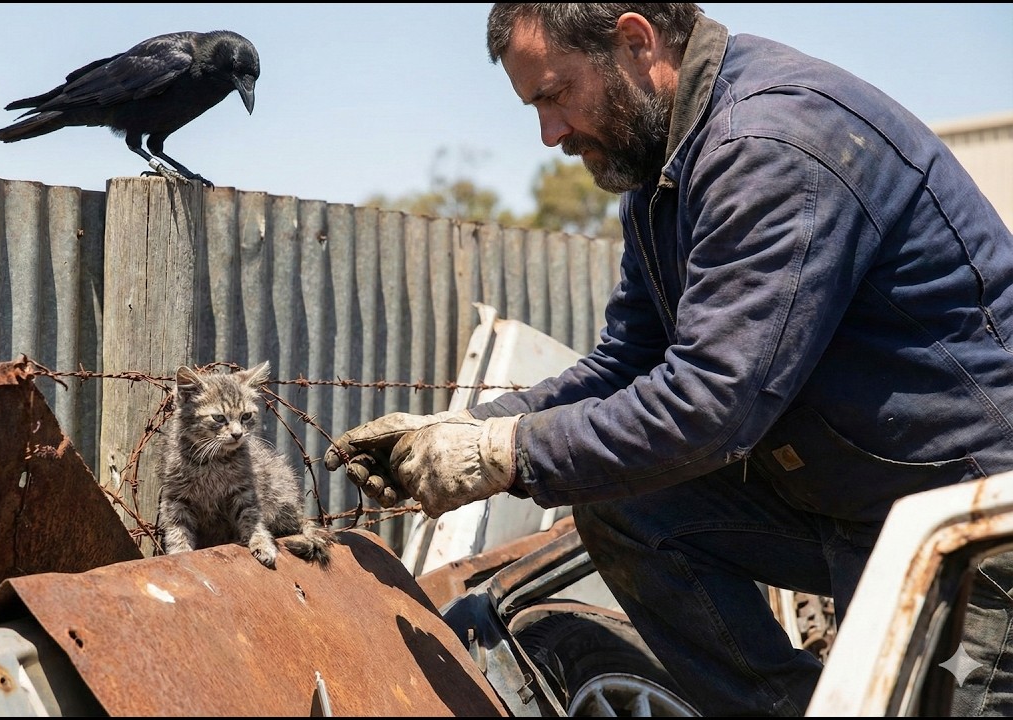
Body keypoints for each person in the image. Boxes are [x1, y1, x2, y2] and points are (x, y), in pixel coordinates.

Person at [323, 3, 1013, 716]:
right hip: (857, 500)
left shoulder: (769, 144)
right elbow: (627, 363)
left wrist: (504, 453)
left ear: (634, 40)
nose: (550, 133)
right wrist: (468, 428)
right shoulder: (665, 172)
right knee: (622, 501)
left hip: (974, 514)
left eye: (555, 95)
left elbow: (712, 403)